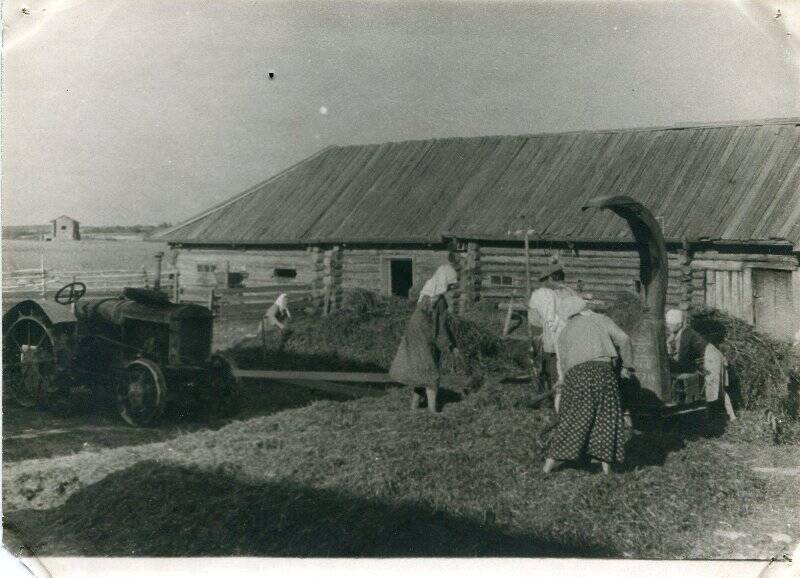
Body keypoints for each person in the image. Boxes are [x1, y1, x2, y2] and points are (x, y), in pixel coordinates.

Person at [543, 295, 634, 475]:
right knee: (605, 418)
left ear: (568, 315)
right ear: (585, 309)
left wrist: (563, 382)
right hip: (603, 372)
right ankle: (607, 471)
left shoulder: (565, 332)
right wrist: (627, 365)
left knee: (572, 418)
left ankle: (547, 468)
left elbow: (564, 364)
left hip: (577, 376)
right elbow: (624, 339)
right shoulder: (601, 319)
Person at [390, 264, 459, 414]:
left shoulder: (426, 295)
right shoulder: (438, 302)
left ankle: (413, 408)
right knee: (431, 374)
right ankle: (432, 410)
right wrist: (450, 346)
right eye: (451, 283)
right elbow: (440, 327)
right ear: (445, 282)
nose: (453, 287)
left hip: (414, 334)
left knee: (421, 373)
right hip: (422, 336)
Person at [665, 309, 736, 421]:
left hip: (711, 358)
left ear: (679, 324)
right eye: (667, 324)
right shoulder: (680, 332)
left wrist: (669, 363)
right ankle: (730, 416)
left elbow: (682, 358)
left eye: (670, 325)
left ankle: (712, 419)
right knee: (716, 388)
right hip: (709, 355)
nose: (668, 327)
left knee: (711, 387)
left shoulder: (686, 335)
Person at [527, 263, 579, 404]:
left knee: (556, 376)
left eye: (544, 280)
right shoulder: (572, 293)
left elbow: (534, 320)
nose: (543, 284)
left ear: (550, 278)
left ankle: (559, 406)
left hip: (554, 343)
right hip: (575, 342)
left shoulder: (543, 295)